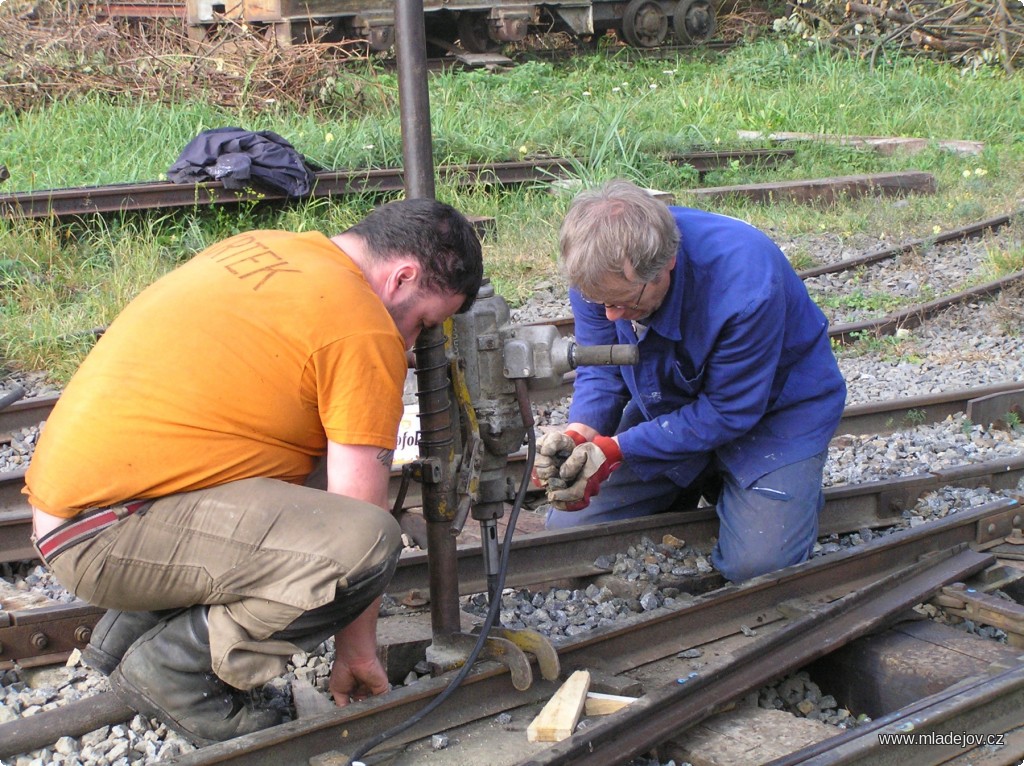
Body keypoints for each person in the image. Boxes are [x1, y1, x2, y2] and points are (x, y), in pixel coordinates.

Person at [24, 197, 484, 745]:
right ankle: (175, 669)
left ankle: (131, 633)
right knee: (366, 543)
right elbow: (359, 511)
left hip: (73, 513)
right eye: (423, 322)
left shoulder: (267, 247)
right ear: (402, 277)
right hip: (108, 535)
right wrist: (356, 652)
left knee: (302, 457)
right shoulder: (360, 324)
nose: (411, 343)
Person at [535, 179, 846, 583]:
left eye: (624, 303)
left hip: (776, 413)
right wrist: (582, 431)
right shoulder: (597, 274)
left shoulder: (746, 282)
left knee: (757, 568)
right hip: (672, 404)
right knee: (568, 535)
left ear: (667, 264)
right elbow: (601, 367)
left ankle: (771, 484)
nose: (612, 316)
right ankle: (700, 481)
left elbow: (728, 410)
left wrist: (616, 449)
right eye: (602, 304)